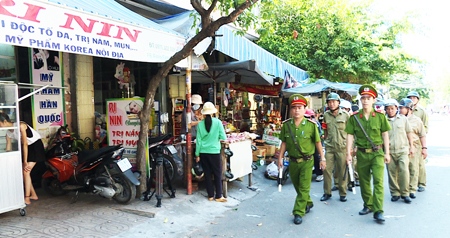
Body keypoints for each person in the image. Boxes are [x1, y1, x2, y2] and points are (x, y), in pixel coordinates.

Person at [345, 85, 391, 224]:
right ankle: (368, 205)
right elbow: (350, 136)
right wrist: (348, 153)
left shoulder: (380, 116)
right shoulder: (354, 117)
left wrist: (387, 153)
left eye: (368, 98)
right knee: (364, 182)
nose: (365, 101)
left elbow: (385, 134)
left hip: (377, 153)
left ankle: (378, 211)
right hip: (362, 154)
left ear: (373, 100)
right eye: (363, 98)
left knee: (378, 182)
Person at [278, 94, 326, 225]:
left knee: (304, 187)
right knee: (297, 186)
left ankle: (298, 212)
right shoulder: (286, 125)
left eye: (299, 107)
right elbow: (284, 143)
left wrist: (322, 158)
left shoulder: (311, 126)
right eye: (294, 108)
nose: (296, 110)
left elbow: (318, 143)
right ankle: (308, 202)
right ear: (290, 110)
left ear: (305, 109)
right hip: (292, 161)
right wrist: (280, 158)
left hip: (307, 161)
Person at [0, 112, 45, 205]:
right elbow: (8, 149)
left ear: (4, 121)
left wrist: (25, 161)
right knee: (24, 172)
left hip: (35, 146)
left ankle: (27, 198)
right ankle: (33, 195)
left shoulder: (20, 125)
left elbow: (25, 143)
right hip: (26, 148)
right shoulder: (8, 133)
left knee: (26, 171)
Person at [195, 102, 227, 202]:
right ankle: (218, 196)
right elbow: (223, 137)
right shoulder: (218, 123)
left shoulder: (200, 124)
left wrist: (197, 154)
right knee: (217, 174)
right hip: (215, 152)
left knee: (207, 174)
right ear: (213, 112)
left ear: (203, 113)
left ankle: (210, 196)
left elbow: (198, 141)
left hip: (203, 153)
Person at [321, 93, 350, 202]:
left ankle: (343, 193)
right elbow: (325, 130)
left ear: (338, 103)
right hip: (330, 148)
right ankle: (327, 193)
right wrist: (325, 142)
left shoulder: (346, 115)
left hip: (342, 148)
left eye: (334, 101)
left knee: (342, 171)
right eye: (329, 102)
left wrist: (350, 148)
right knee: (327, 170)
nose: (331, 104)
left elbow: (351, 133)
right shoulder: (326, 115)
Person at [384, 99, 414, 203]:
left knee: (404, 171)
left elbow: (409, 132)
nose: (390, 111)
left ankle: (405, 193)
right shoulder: (383, 120)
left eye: (392, 108)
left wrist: (412, 146)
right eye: (388, 109)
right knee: (391, 173)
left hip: (403, 150)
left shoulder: (403, 119)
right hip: (390, 151)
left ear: (397, 108)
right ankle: (395, 193)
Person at [398, 98, 427, 199]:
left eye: (403, 108)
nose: (400, 110)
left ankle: (412, 189)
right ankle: (402, 190)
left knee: (413, 169)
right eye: (400, 108)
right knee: (402, 170)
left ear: (409, 109)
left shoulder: (417, 120)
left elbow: (422, 135)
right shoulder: (398, 119)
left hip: (414, 147)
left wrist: (424, 148)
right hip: (400, 147)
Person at [407, 91, 428, 192]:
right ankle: (411, 183)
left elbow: (425, 126)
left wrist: (421, 136)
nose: (412, 99)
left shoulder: (421, 111)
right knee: (411, 164)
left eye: (414, 98)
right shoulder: (405, 109)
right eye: (410, 98)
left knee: (420, 163)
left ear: (418, 99)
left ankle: (422, 184)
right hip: (408, 142)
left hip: (418, 140)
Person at [304, 109, 323, 182]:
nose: (307, 119)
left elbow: (319, 134)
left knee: (316, 157)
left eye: (308, 117)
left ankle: (319, 174)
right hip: (305, 143)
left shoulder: (316, 124)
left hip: (315, 143)